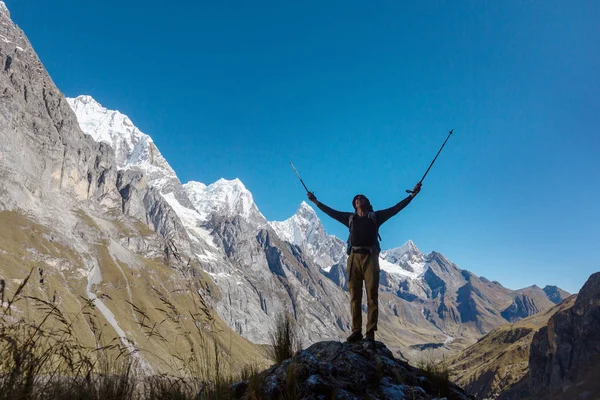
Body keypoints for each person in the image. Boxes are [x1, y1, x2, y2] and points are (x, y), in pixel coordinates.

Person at [307, 182, 422, 344]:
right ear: (354, 205)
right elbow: (331, 212)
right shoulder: (350, 218)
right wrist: (315, 201)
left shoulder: (376, 216)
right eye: (356, 199)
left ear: (368, 203)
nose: (358, 199)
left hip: (370, 258)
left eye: (361, 198)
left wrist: (412, 195)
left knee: (372, 296)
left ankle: (370, 332)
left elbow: (396, 209)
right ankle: (356, 331)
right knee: (354, 296)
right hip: (353, 258)